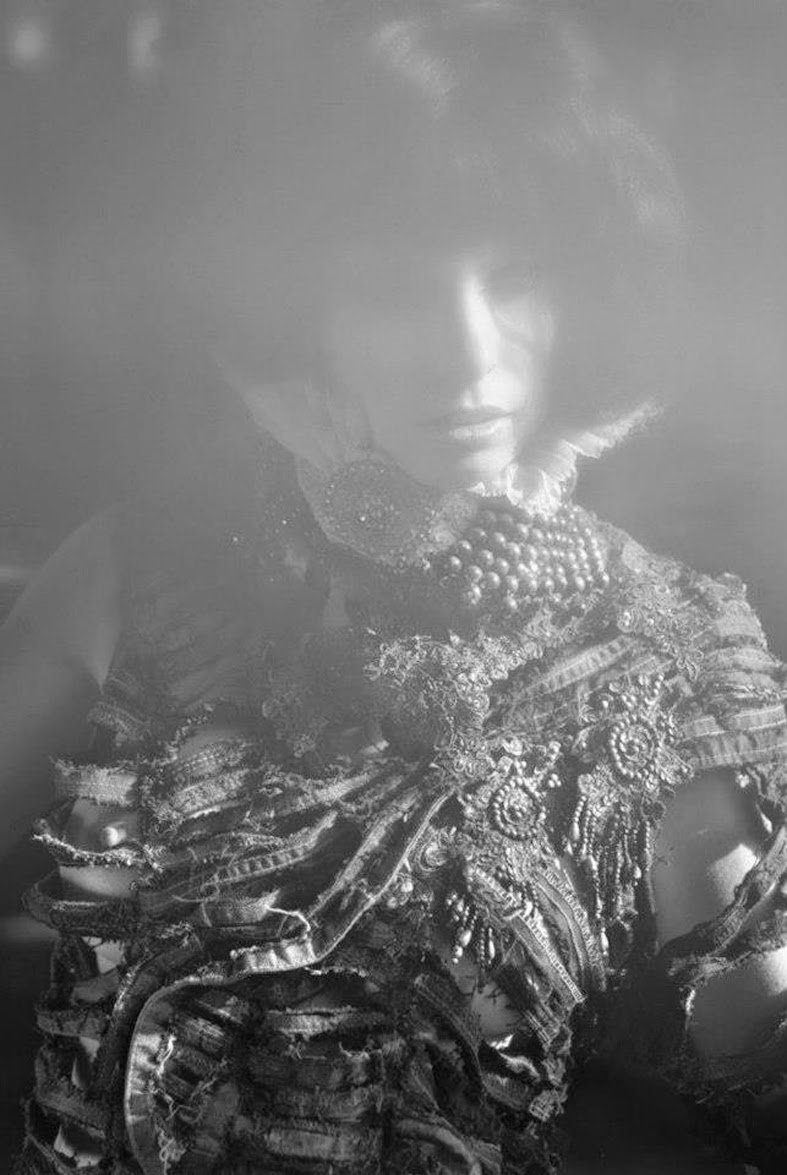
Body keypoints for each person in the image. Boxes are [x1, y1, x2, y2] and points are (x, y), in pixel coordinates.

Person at [3, 2, 786, 1171]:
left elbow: (759, 1079)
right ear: (304, 307)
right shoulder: (136, 575)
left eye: (516, 276)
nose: (465, 353)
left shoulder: (669, 655)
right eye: (393, 288)